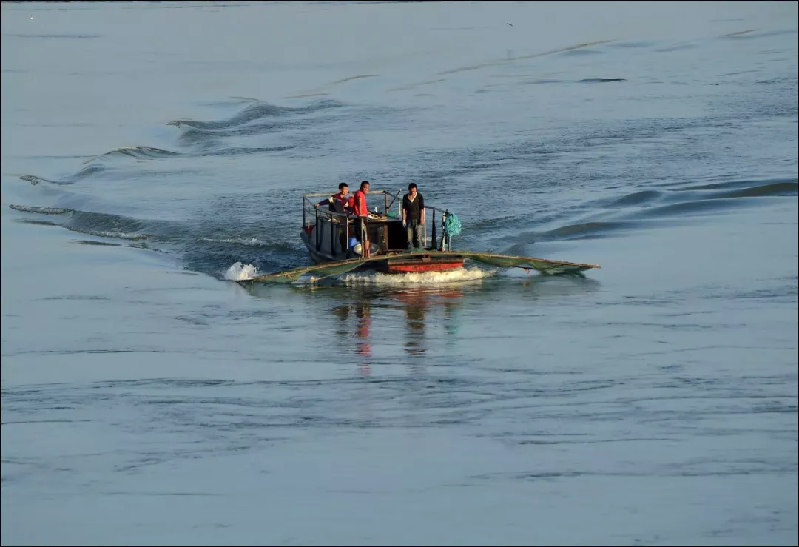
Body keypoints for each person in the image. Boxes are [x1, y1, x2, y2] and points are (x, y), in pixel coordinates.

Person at [402, 183, 425, 249]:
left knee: (418, 236)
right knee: (409, 237)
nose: (413, 192)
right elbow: (403, 209)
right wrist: (403, 219)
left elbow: (422, 208)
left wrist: (422, 218)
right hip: (409, 218)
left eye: (414, 191)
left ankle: (420, 250)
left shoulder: (419, 196)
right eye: (412, 191)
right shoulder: (405, 197)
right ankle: (410, 250)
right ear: (409, 190)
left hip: (417, 218)